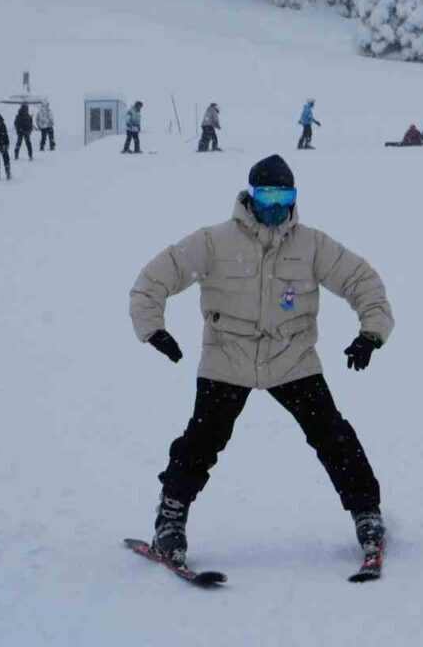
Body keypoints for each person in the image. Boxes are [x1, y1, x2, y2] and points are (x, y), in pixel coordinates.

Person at [129, 154, 393, 566]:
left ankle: (367, 514)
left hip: (292, 359)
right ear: (249, 197)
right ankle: (170, 518)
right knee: (200, 442)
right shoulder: (214, 241)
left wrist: (370, 333)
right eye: (267, 196)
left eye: (284, 196)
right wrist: (153, 329)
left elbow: (363, 281)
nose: (275, 206)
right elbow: (152, 280)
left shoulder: (311, 245)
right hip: (227, 358)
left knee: (332, 436)